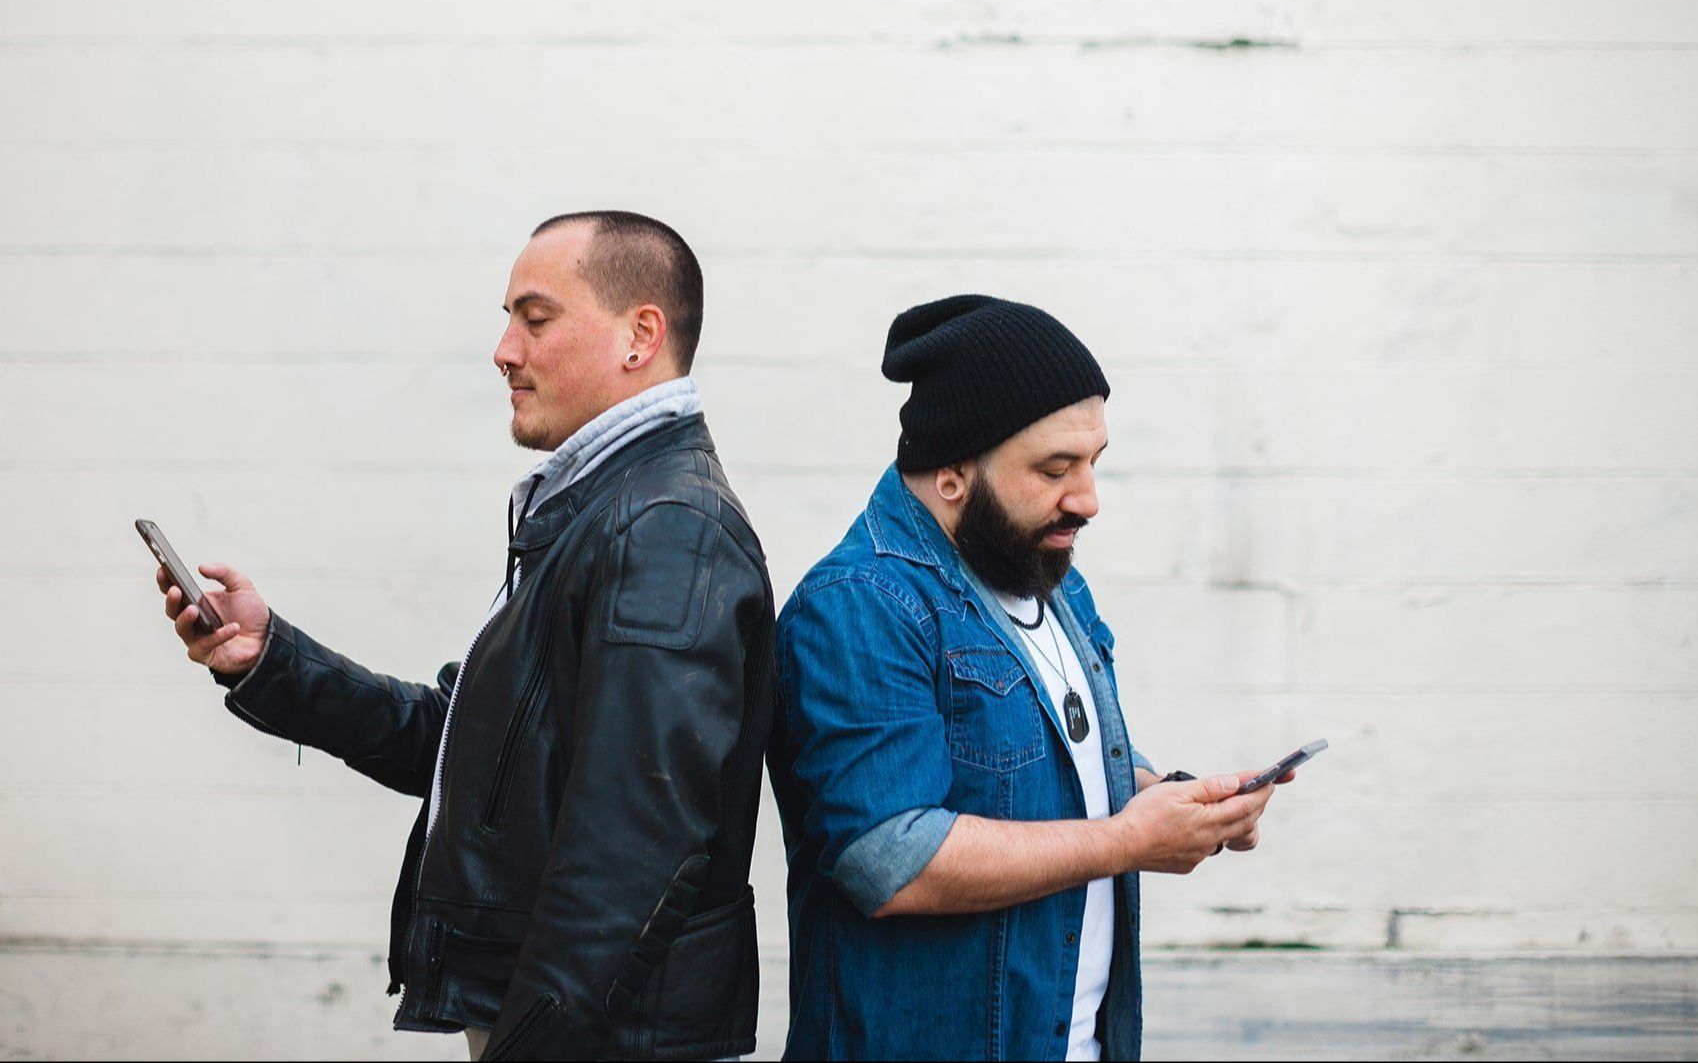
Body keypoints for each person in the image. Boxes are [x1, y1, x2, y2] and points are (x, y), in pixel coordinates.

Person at [153, 212, 775, 1061]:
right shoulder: (604, 510)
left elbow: (630, 850)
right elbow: (469, 746)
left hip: (601, 1039)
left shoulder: (664, 527)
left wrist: (527, 1045)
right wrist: (271, 660)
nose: (503, 350)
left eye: (536, 316)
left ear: (640, 335)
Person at [768, 295, 1286, 1061]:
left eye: (1093, 462)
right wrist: (1125, 840)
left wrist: (1176, 801)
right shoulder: (860, 605)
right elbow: (891, 860)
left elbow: (1055, 772)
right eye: (1054, 469)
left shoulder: (1049, 577)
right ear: (951, 474)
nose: (1088, 499)